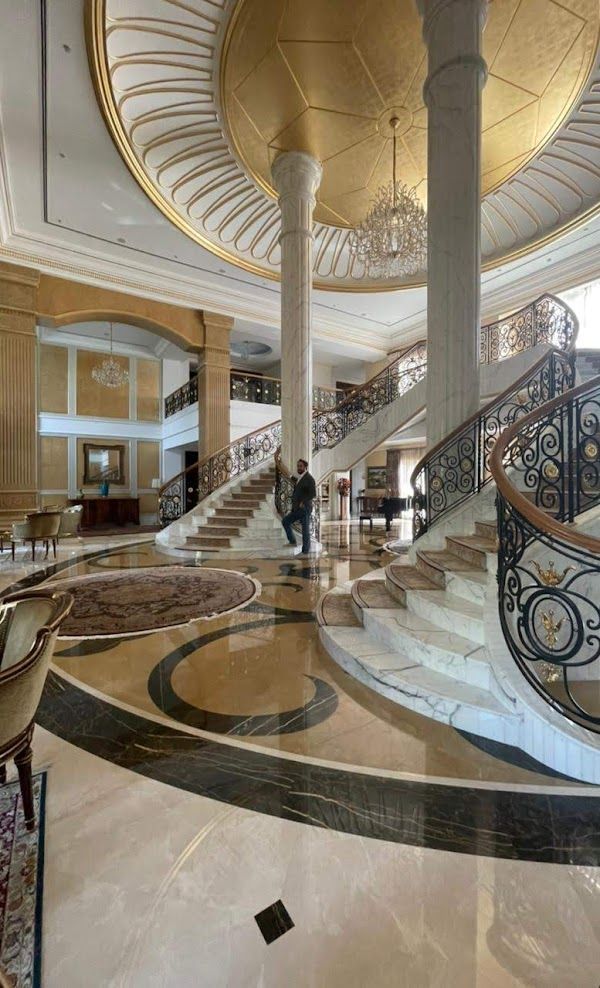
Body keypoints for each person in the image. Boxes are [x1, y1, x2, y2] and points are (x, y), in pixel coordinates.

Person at [282, 458, 316, 555]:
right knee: (285, 521)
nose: (299, 467)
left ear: (305, 467)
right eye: (298, 466)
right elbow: (293, 479)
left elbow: (313, 494)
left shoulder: (309, 478)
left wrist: (303, 501)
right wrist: (284, 468)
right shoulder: (301, 478)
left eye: (300, 466)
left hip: (304, 508)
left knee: (305, 530)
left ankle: (305, 551)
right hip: (298, 508)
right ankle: (292, 541)